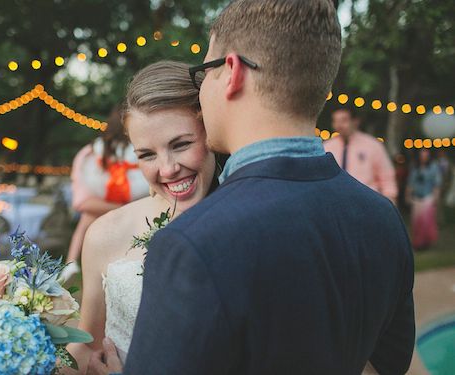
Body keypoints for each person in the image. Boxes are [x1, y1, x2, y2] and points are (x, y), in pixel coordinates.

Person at [89, 1, 415, 374]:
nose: (201, 89)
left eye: (204, 72)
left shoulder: (192, 242)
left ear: (231, 72)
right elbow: (390, 366)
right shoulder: (382, 218)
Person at [65, 61, 217, 374]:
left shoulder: (250, 224)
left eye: (182, 144)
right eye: (147, 154)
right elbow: (87, 346)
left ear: (211, 134)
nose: (167, 168)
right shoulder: (106, 233)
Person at [61, 108, 149, 282]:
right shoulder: (133, 147)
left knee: (85, 220)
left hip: (105, 195)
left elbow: (94, 174)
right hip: (130, 195)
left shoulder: (100, 147)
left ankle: (71, 261)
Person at [324, 107, 398, 203]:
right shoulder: (327, 147)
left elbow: (387, 177)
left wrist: (390, 202)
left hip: (367, 202)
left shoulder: (372, 145)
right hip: (335, 202)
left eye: (344, 120)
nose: (339, 125)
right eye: (336, 121)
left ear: (355, 121)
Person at [406, 148, 442, 250]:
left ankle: (426, 242)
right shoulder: (415, 167)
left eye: (425, 155)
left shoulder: (433, 167)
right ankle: (418, 242)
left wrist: (436, 198)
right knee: (416, 222)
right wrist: (408, 196)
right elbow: (410, 183)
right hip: (417, 197)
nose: (423, 157)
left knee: (427, 221)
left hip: (428, 197)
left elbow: (436, 184)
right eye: (422, 155)